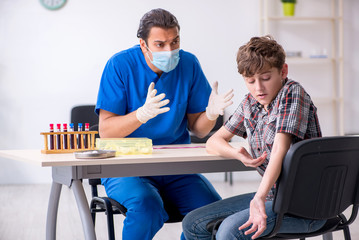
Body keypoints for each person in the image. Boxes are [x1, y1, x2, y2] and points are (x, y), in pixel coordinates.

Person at [95, 8, 234, 240]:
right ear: (143, 44)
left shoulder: (188, 63)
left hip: (175, 167)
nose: (169, 50)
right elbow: (106, 130)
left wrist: (211, 114)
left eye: (174, 41)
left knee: (214, 215)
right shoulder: (120, 66)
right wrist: (140, 115)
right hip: (127, 168)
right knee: (146, 207)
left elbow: (198, 129)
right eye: (160, 44)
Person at [182, 35, 326, 240]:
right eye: (250, 81)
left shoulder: (292, 93)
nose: (258, 88)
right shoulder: (251, 103)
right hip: (272, 199)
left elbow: (279, 149)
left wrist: (258, 198)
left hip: (305, 205)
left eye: (266, 78)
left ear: (283, 71)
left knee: (229, 231)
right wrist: (237, 153)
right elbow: (214, 141)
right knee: (193, 223)